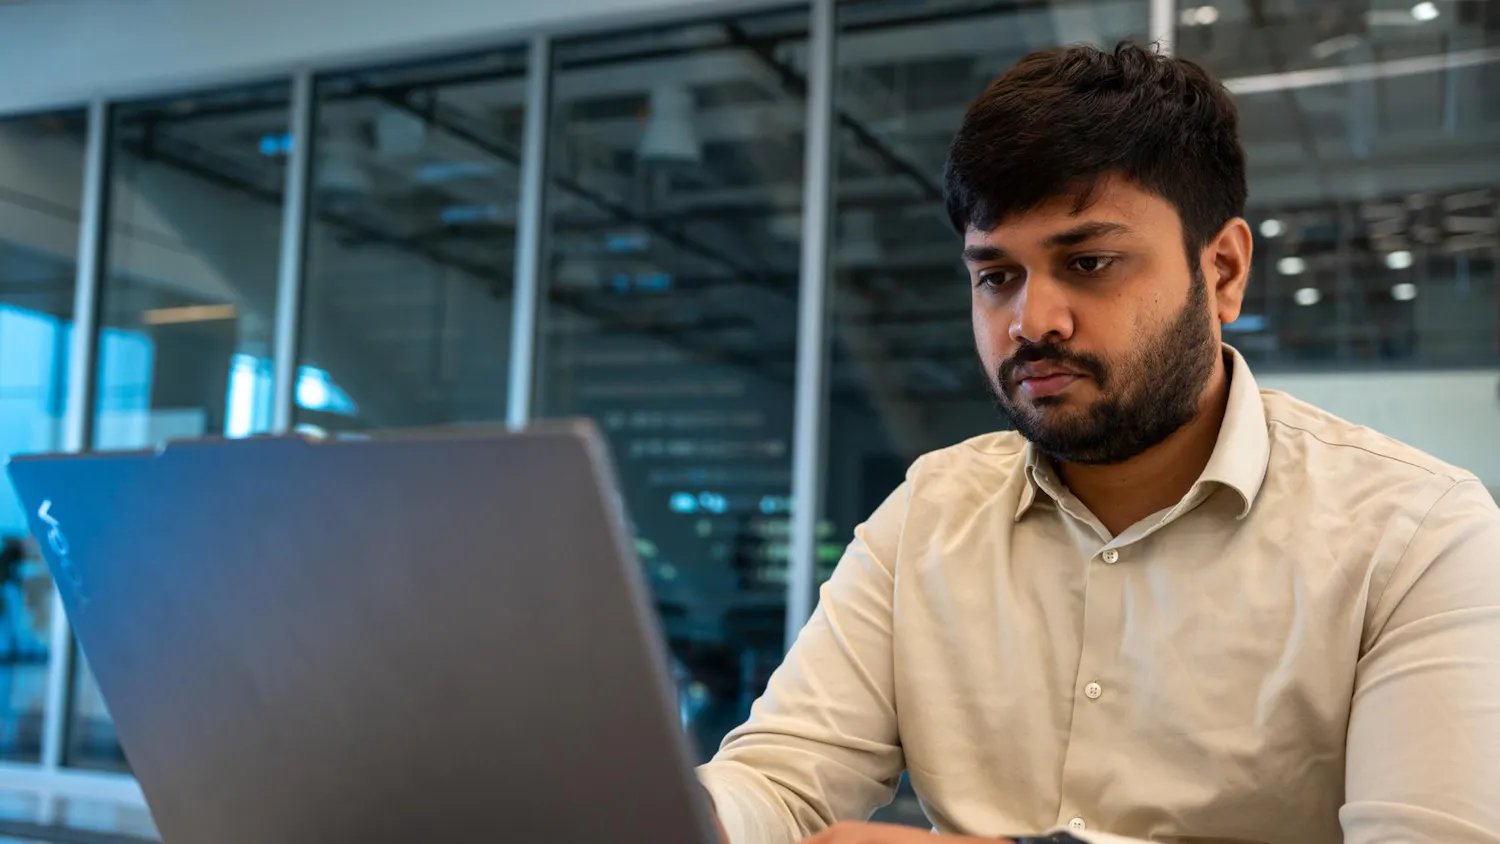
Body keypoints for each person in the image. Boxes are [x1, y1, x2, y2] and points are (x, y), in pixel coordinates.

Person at [695, 42, 1500, 844]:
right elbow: (780, 781)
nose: (1032, 321)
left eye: (1088, 261)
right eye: (995, 276)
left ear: (1222, 271)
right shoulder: (930, 514)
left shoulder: (1418, 537)